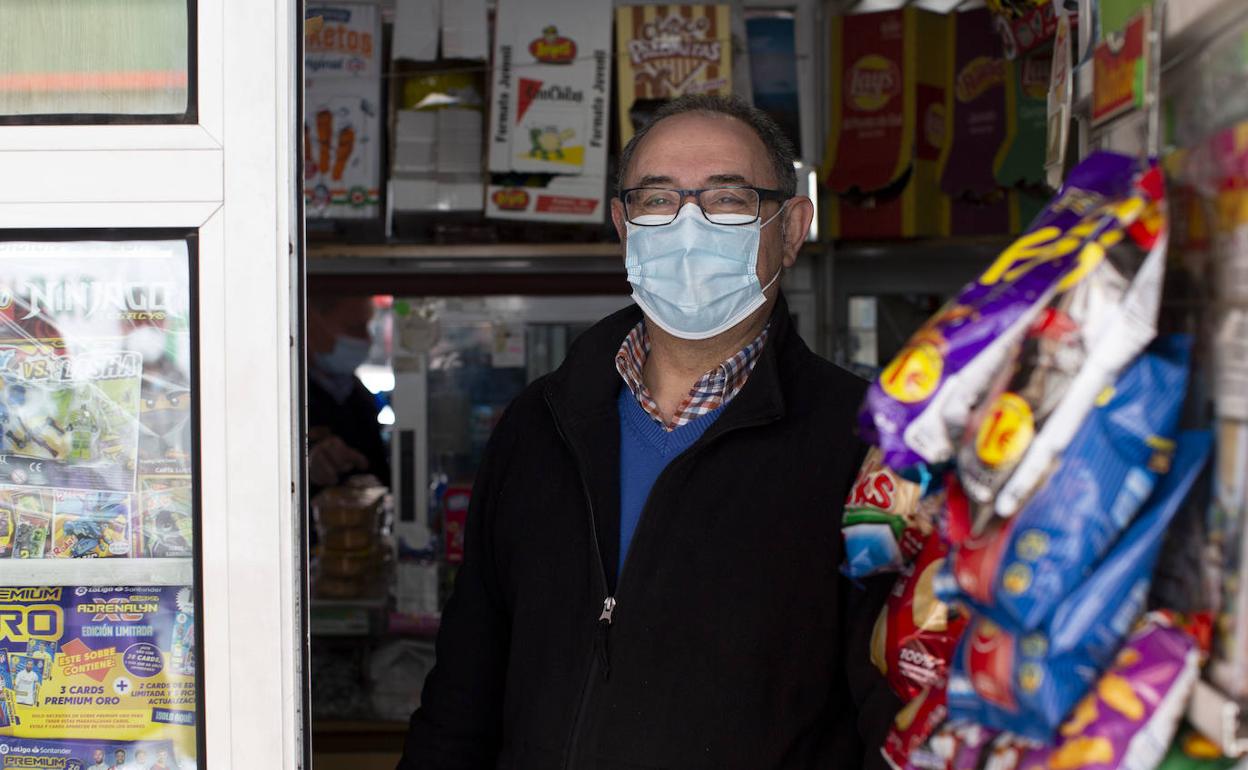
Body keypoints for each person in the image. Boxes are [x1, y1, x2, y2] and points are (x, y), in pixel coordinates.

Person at [399, 94, 897, 769]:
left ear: (791, 228)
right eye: (657, 200)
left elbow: (895, 716)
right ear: (623, 225)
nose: (687, 227)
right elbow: (461, 699)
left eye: (727, 199)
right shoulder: (538, 427)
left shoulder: (867, 448)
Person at [306, 294, 390, 500]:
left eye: (367, 328)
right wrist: (307, 464)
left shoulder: (359, 395)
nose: (367, 340)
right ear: (312, 326)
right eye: (354, 329)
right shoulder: (285, 396)